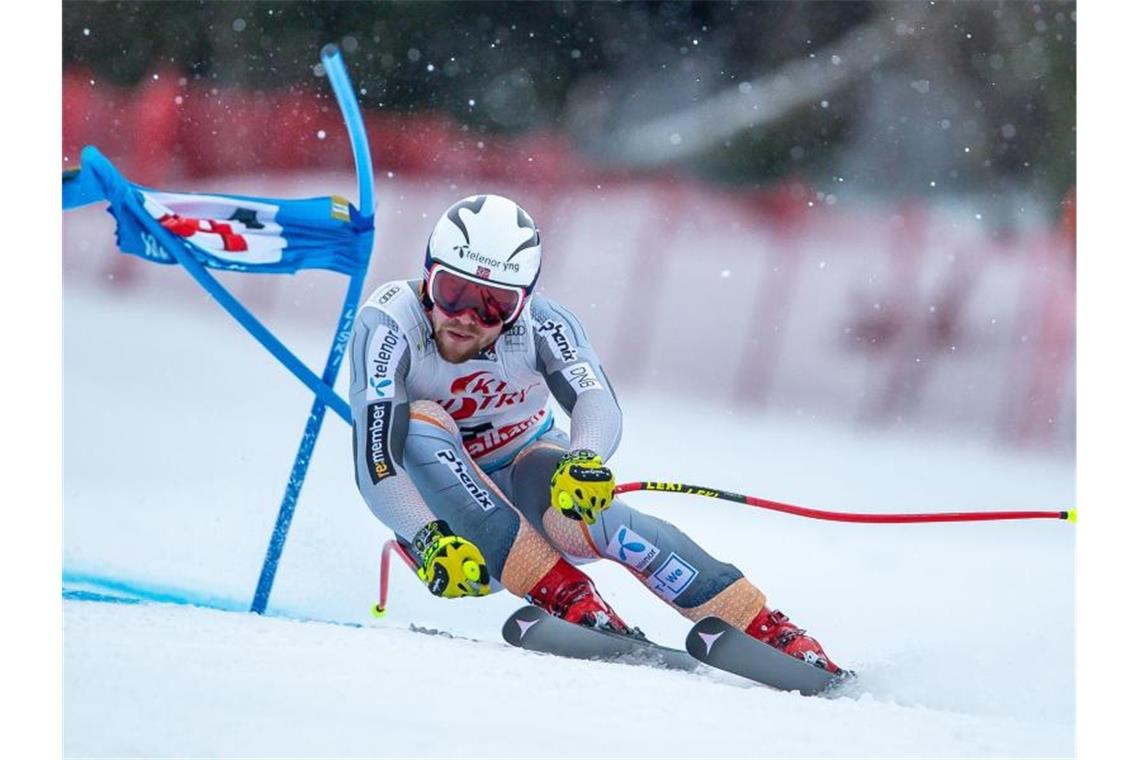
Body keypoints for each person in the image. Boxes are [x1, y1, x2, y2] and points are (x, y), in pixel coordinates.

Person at [349, 194, 842, 673]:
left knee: (580, 498)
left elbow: (595, 399)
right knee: (417, 424)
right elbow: (376, 459)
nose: (466, 318)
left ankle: (763, 627)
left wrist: (584, 459)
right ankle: (568, 596)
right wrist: (426, 535)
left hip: (525, 486)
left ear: (522, 305)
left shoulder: (543, 324)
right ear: (427, 276)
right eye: (451, 292)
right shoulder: (391, 321)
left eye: (494, 304)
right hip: (450, 541)